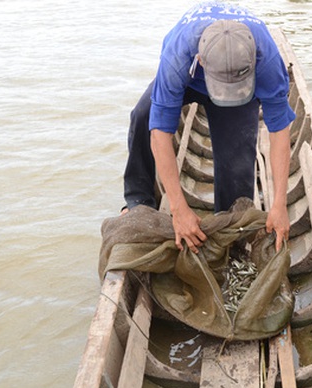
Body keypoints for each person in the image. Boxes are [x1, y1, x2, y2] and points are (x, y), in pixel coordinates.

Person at [123, 2, 295, 254]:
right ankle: (138, 199)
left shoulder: (266, 58)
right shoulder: (177, 57)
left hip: (242, 87)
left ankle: (229, 232)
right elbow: (160, 134)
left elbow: (280, 132)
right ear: (200, 60)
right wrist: (179, 209)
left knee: (237, 159)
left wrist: (280, 204)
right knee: (143, 116)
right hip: (192, 81)